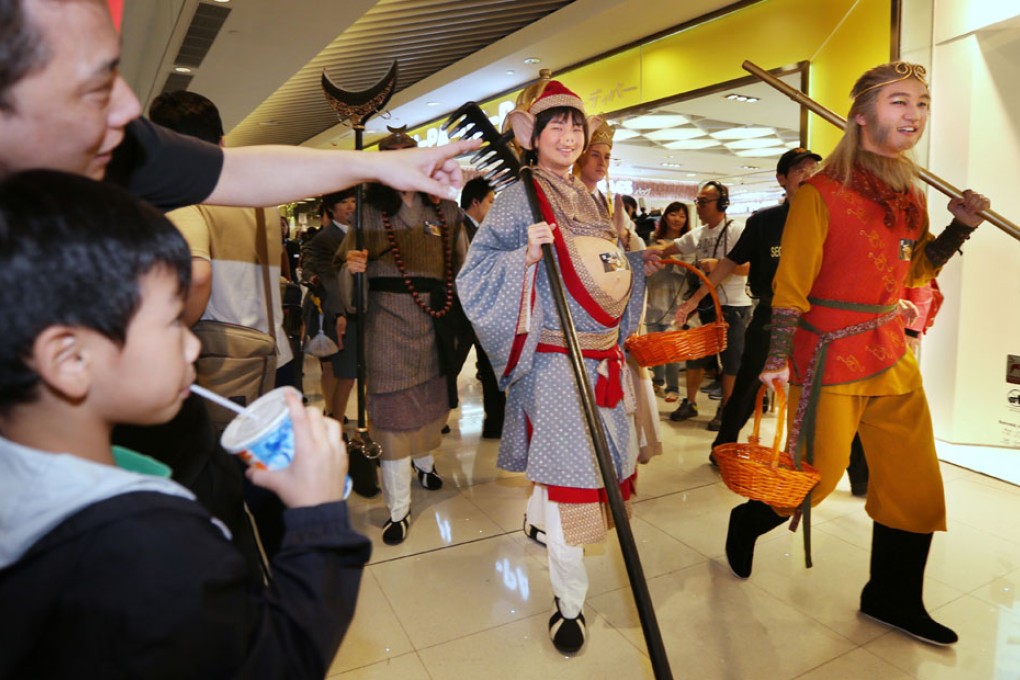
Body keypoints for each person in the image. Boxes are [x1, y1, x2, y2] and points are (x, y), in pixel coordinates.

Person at [0, 0, 475, 572]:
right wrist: (321, 523)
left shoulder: (120, 145)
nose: (127, 107)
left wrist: (383, 167)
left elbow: (240, 172)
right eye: (96, 83)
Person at [0, 170, 371, 678]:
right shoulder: (154, 546)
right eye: (172, 322)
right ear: (68, 359)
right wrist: (318, 517)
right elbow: (277, 662)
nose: (194, 344)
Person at [728, 62, 989, 647]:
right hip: (827, 355)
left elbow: (914, 269)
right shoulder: (820, 193)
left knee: (914, 483)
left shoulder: (909, 192)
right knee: (813, 481)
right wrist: (775, 358)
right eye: (900, 101)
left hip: (890, 350)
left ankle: (892, 598)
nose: (914, 114)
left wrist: (959, 229)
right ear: (863, 113)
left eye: (922, 103)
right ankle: (748, 520)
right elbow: (790, 287)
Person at [456, 77, 661, 653]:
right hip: (554, 359)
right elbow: (476, 272)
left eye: (577, 125)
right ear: (534, 137)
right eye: (557, 126)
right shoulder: (522, 196)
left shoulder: (592, 197)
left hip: (600, 359)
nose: (569, 136)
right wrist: (523, 255)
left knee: (588, 471)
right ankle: (569, 604)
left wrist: (634, 262)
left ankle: (538, 521)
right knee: (577, 482)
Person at [339, 126, 467, 545]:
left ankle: (426, 465)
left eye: (408, 155)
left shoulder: (444, 209)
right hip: (387, 324)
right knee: (392, 416)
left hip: (436, 320)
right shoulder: (367, 210)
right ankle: (398, 509)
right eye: (391, 158)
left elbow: (465, 268)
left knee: (431, 406)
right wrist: (352, 270)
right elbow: (350, 287)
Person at [149, 90, 298, 397]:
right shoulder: (261, 199)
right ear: (222, 141)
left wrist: (167, 333)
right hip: (276, 355)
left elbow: (198, 276)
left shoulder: (184, 202)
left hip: (220, 364)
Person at [678, 148, 820, 461]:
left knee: (823, 389)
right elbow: (729, 263)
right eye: (800, 170)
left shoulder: (829, 220)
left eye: (813, 169)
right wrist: (695, 299)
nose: (809, 175)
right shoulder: (765, 222)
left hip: (818, 318)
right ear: (782, 179)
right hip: (771, 314)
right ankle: (722, 446)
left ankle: (850, 471)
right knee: (746, 387)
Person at [302, 190, 381, 498]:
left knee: (348, 372)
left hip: (360, 311)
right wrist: (339, 312)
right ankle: (335, 427)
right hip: (336, 312)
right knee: (343, 373)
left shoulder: (365, 234)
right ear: (331, 210)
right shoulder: (323, 240)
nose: (351, 206)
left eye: (353, 201)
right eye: (344, 202)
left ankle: (338, 422)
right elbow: (327, 278)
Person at [657, 181, 752, 430]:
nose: (698, 206)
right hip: (705, 306)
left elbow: (747, 267)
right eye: (697, 201)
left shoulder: (735, 230)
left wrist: (719, 264)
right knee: (696, 356)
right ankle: (690, 402)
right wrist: (646, 253)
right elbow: (670, 248)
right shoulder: (699, 234)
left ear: (722, 203)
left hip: (732, 306)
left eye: (704, 201)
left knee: (730, 361)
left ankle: (726, 408)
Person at [457, 176, 505, 438]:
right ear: (475, 202)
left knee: (489, 366)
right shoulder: (460, 228)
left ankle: (496, 422)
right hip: (462, 311)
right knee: (451, 365)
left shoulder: (481, 230)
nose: (493, 207)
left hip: (482, 311)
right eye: (490, 201)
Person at [646, 202, 694, 403]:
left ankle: (673, 387)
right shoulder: (652, 240)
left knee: (673, 348)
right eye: (673, 214)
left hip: (676, 301)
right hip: (654, 300)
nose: (677, 219)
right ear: (665, 217)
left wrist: (672, 255)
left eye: (682, 216)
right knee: (656, 346)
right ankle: (657, 378)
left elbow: (690, 271)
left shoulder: (689, 243)